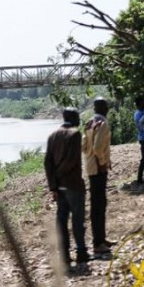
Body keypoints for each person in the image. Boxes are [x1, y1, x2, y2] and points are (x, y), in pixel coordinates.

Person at [44, 107, 90, 274]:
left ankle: (64, 256)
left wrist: (53, 186)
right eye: (78, 116)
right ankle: (81, 253)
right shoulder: (75, 134)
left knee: (61, 221)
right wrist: (60, 177)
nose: (79, 119)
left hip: (59, 187)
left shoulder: (53, 135)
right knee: (78, 220)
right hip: (73, 184)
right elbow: (72, 161)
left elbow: (47, 162)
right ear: (73, 117)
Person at [82, 97, 113, 259]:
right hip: (98, 169)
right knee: (99, 205)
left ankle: (101, 239)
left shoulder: (89, 122)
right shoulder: (103, 123)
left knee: (98, 203)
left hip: (90, 167)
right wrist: (102, 161)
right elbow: (97, 147)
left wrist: (92, 158)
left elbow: (84, 145)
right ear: (105, 108)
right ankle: (97, 243)